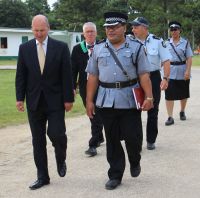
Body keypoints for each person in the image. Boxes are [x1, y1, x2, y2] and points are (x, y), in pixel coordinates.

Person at [86, 11, 153, 190]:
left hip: (129, 99)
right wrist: (89, 100)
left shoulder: (136, 47)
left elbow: (143, 74)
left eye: (115, 27)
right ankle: (115, 174)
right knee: (112, 139)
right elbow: (92, 76)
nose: (111, 30)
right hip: (106, 100)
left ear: (124, 28)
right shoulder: (98, 49)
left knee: (133, 137)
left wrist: (149, 96)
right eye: (108, 27)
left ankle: (134, 159)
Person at [15, 15, 74, 190]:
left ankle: (60, 157)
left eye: (41, 30)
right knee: (37, 140)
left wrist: (68, 99)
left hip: (55, 101)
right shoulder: (24, 49)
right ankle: (42, 176)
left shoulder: (61, 48)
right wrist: (20, 98)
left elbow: (67, 75)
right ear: (31, 29)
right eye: (35, 30)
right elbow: (21, 75)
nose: (39, 34)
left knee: (57, 134)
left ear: (48, 28)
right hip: (34, 102)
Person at [131, 17, 171, 150]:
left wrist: (165, 78)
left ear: (144, 28)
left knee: (153, 109)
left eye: (136, 27)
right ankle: (135, 140)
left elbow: (166, 60)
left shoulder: (157, 41)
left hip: (153, 77)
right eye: (133, 27)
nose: (133, 29)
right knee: (134, 110)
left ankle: (151, 140)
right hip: (135, 78)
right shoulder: (129, 41)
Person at [71, 22, 104, 157]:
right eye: (87, 32)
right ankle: (99, 136)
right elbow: (72, 70)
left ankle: (93, 143)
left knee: (99, 112)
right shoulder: (77, 49)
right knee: (91, 112)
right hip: (85, 86)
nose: (90, 34)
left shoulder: (103, 46)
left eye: (92, 31)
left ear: (96, 33)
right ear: (83, 34)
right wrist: (72, 87)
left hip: (102, 85)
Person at [164, 21, 193, 126]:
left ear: (180, 30)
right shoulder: (166, 43)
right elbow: (163, 58)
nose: (173, 31)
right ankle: (170, 117)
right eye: (171, 30)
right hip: (170, 71)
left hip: (182, 70)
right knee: (169, 95)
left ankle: (182, 111)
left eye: (175, 29)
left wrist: (188, 71)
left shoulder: (185, 43)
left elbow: (189, 58)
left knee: (183, 93)